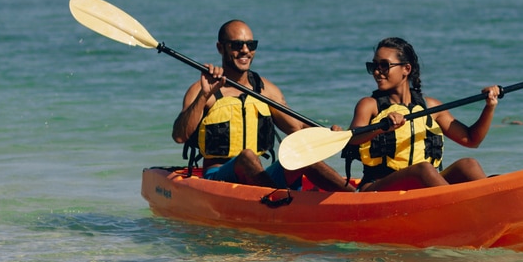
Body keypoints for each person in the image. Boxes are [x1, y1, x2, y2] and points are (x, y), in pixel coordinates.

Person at [172, 20, 353, 192]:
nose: (245, 51)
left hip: (257, 177)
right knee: (247, 156)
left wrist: (330, 135)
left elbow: (297, 128)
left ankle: (356, 197)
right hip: (217, 178)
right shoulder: (202, 89)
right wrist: (205, 95)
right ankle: (281, 200)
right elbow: (180, 136)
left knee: (302, 152)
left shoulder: (266, 90)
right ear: (220, 47)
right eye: (237, 45)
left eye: (251, 45)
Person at [345, 37, 498, 192]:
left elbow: (471, 140)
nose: (377, 72)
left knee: (468, 165)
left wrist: (489, 107)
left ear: (406, 69)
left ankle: (492, 199)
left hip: (423, 187)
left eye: (384, 65)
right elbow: (352, 137)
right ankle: (459, 206)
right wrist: (382, 128)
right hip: (377, 188)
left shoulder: (431, 107)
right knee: (423, 169)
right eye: (374, 66)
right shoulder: (370, 105)